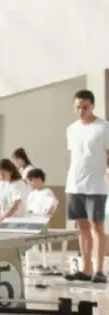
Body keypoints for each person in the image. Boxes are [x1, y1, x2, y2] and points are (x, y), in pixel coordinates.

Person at [64, 90, 109, 283]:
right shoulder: (71, 129)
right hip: (74, 184)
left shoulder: (103, 127)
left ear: (92, 106)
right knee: (82, 227)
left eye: (85, 107)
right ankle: (86, 269)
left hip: (96, 184)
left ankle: (99, 270)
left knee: (97, 226)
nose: (81, 111)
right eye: (78, 107)